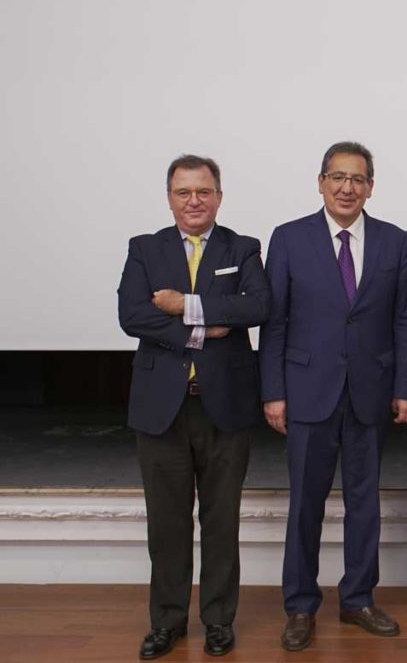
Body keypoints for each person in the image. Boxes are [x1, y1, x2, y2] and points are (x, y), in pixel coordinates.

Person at [259, 141, 407, 649]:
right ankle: (301, 605)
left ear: (371, 186)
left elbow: (405, 322)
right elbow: (275, 324)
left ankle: (358, 599)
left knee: (364, 502)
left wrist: (403, 388)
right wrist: (274, 392)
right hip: (307, 393)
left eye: (358, 179)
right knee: (306, 503)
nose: (348, 187)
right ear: (321, 182)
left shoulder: (394, 242)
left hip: (370, 392)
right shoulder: (288, 238)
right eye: (338, 177)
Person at [117, 154, 269, 659]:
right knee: (167, 524)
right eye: (184, 192)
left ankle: (219, 621)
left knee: (222, 522)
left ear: (219, 196)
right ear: (169, 198)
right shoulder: (144, 248)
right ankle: (167, 622)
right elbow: (133, 314)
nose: (194, 201)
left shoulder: (242, 247)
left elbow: (257, 306)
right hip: (161, 409)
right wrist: (208, 328)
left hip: (223, 407)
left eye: (203, 191)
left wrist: (185, 306)